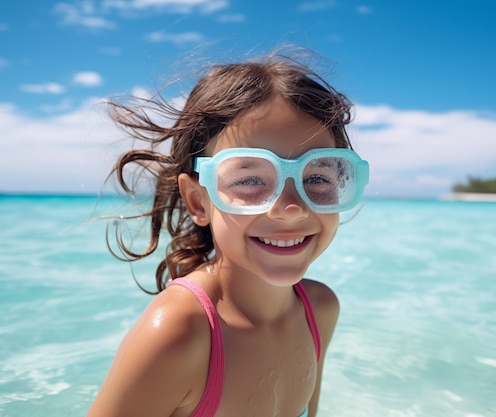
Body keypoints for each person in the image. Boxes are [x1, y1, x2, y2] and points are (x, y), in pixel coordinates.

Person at [87, 54, 369, 417]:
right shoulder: (178, 334)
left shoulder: (320, 309)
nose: (290, 207)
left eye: (317, 177)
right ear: (198, 200)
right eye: (250, 180)